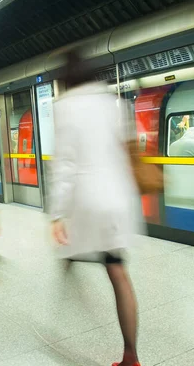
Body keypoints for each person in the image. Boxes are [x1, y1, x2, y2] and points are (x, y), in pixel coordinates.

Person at [50, 52, 144, 366]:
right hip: (118, 198)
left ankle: (69, 265)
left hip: (88, 199)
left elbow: (64, 164)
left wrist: (57, 214)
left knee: (72, 245)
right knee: (118, 271)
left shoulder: (65, 107)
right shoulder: (113, 102)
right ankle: (131, 355)